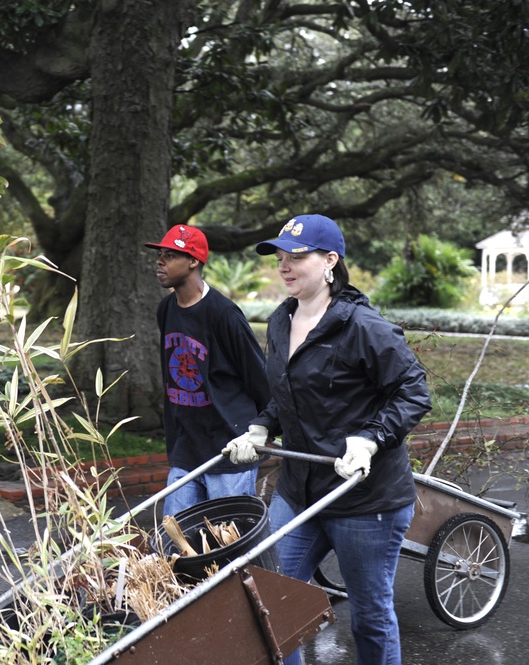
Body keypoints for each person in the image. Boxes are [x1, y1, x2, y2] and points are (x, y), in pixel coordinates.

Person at [222, 214, 432, 664]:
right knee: (270, 603)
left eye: (297, 257)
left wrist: (370, 439)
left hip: (365, 498)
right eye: (281, 257)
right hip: (300, 490)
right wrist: (261, 426)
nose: (285, 266)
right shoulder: (281, 321)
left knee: (369, 616)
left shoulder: (364, 327)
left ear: (331, 261)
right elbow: (289, 393)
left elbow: (414, 392)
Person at [144, 224, 270, 517]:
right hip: (185, 447)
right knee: (176, 539)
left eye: (170, 255)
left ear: (193, 261)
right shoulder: (166, 309)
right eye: (159, 255)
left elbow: (257, 375)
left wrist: (264, 428)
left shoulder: (224, 314)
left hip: (228, 447)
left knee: (230, 540)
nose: (160, 262)